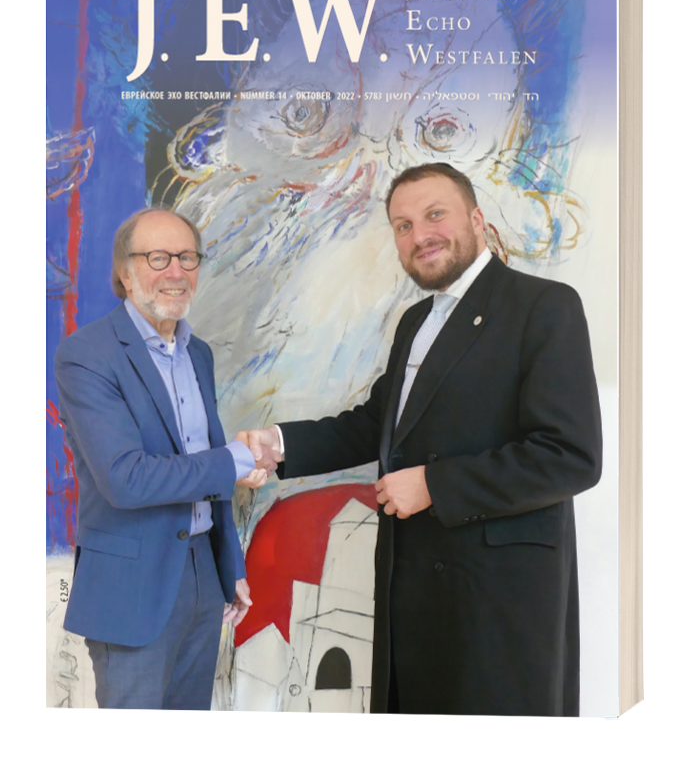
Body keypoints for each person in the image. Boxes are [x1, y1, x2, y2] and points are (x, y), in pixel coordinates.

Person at [244, 163, 603, 720]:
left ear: (477, 220)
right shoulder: (415, 321)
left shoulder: (544, 306)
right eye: (403, 225)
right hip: (411, 590)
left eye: (436, 215)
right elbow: (378, 424)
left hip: (496, 603)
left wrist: (436, 484)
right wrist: (279, 444)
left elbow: (570, 456)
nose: (420, 235)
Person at [54, 207, 266, 714]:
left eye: (188, 257)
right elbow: (125, 479)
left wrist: (229, 565)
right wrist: (236, 460)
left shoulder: (199, 354)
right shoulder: (86, 355)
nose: (176, 271)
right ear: (125, 273)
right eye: (158, 258)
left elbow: (202, 462)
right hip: (132, 588)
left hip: (203, 577)